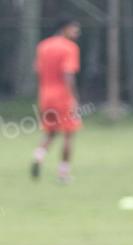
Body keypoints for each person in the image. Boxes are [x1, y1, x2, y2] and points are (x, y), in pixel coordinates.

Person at [31, 18, 82, 183]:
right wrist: (74, 97)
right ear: (64, 28)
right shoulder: (70, 48)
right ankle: (63, 173)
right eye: (74, 29)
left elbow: (37, 70)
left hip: (45, 96)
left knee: (50, 132)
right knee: (68, 134)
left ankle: (38, 156)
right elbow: (68, 74)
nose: (77, 33)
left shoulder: (43, 46)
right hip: (63, 97)